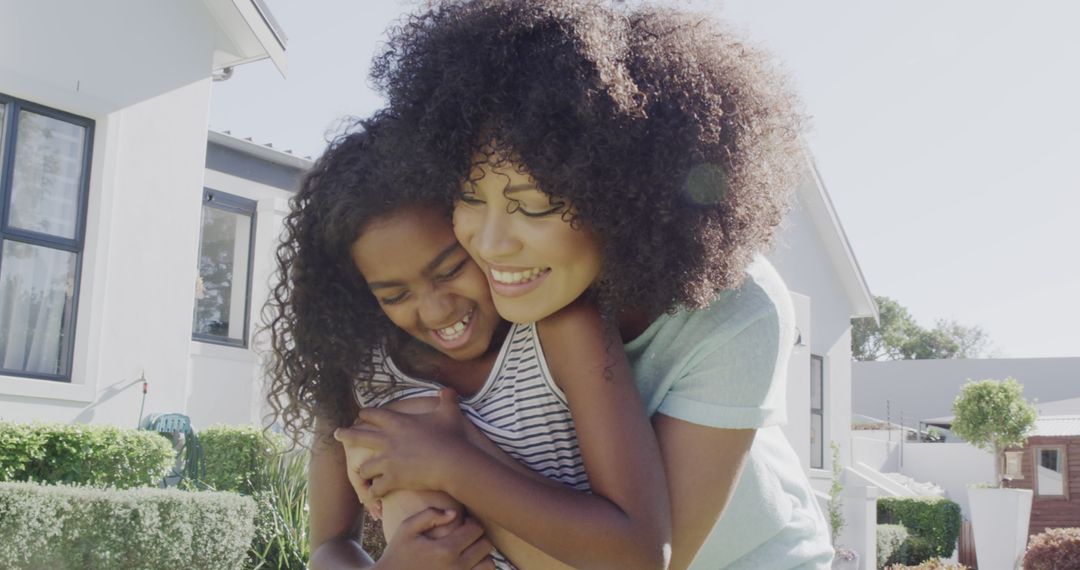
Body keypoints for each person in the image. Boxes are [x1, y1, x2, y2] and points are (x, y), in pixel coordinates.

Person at [347, 1, 835, 568]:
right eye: (471, 197)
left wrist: (447, 455)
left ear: (624, 197)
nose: (491, 243)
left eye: (535, 206)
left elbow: (651, 560)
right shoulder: (482, 284)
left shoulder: (739, 308)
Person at [263, 113, 670, 570]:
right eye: (394, 295)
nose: (436, 311)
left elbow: (641, 556)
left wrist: (448, 460)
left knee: (410, 422)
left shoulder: (564, 328)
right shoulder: (357, 365)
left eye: (451, 269)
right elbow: (329, 546)